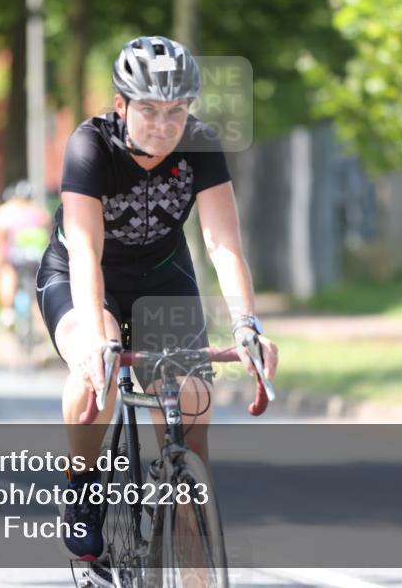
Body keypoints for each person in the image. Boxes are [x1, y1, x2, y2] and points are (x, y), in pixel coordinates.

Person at [35, 35, 279, 560]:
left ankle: (190, 554)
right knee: (91, 377)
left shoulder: (201, 143)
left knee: (192, 405)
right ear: (121, 105)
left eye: (176, 112)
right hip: (84, 273)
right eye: (148, 111)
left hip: (162, 276)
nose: (164, 126)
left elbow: (222, 243)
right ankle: (82, 487)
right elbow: (84, 250)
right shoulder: (89, 145)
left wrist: (247, 324)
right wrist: (97, 342)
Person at [0, 180, 51, 328]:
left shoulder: (4, 213)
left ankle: (7, 310)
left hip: (16, 258)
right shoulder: (41, 213)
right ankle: (41, 327)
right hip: (38, 257)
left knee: (6, 270)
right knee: (37, 293)